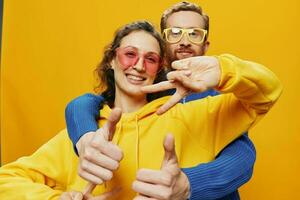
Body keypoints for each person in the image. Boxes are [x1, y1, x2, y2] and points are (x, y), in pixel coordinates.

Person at [0, 20, 282, 200]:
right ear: (112, 59)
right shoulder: (84, 139)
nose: (138, 65)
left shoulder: (192, 117)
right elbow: (6, 182)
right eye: (129, 54)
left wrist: (223, 69)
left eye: (150, 59)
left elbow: (267, 93)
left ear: (160, 68)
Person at [66, 2, 257, 199]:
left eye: (194, 33)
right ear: (163, 45)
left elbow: (243, 157)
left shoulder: (221, 98)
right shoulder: (144, 87)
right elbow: (87, 103)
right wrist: (84, 134)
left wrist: (188, 184)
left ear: (205, 45)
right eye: (174, 33)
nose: (184, 41)